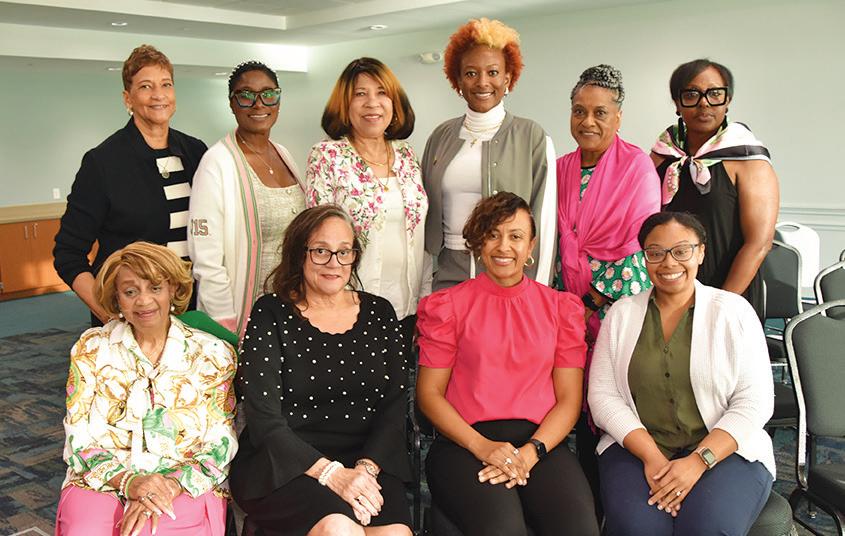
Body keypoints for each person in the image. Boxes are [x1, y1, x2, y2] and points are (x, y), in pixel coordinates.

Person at [416, 192, 599, 536]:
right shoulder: (447, 306)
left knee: (579, 528)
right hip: (464, 445)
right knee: (504, 529)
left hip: (541, 444)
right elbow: (429, 394)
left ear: (531, 246)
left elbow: (569, 400)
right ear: (479, 243)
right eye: (493, 234)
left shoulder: (561, 309)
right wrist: (482, 447)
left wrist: (531, 452)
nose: (504, 247)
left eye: (515, 236)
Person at [229, 205, 412, 536]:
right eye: (320, 251)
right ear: (299, 254)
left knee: (394, 534)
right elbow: (264, 419)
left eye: (344, 252)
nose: (334, 263)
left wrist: (365, 470)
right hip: (286, 464)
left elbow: (395, 405)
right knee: (340, 530)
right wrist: (333, 475)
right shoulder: (270, 312)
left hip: (369, 460)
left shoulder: (380, 312)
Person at [588, 212, 775, 535]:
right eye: (656, 253)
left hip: (725, 449)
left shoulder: (734, 312)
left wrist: (698, 461)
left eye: (681, 251)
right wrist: (652, 457)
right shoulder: (621, 314)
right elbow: (603, 397)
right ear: (644, 257)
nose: (669, 263)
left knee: (707, 528)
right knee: (638, 529)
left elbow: (754, 402)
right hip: (639, 448)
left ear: (700, 252)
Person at [55, 242, 238, 536]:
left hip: (182, 480)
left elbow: (220, 444)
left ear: (173, 290)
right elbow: (79, 438)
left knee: (156, 530)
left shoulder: (213, 354)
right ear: (116, 298)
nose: (143, 301)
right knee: (85, 529)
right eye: (130, 291)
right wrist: (129, 482)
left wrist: (166, 486)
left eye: (155, 288)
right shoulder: (91, 349)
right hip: (104, 478)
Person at [555, 64, 661, 513]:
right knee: (573, 404)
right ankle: (581, 504)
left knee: (615, 405)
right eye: (579, 111)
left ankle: (621, 505)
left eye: (600, 112)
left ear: (618, 117)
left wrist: (589, 303)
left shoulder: (637, 167)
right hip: (566, 312)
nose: (588, 121)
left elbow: (641, 249)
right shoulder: (560, 168)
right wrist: (563, 309)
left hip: (617, 311)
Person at [54, 44, 208, 326]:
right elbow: (68, 253)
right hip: (131, 314)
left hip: (191, 310)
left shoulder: (196, 152)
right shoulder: (103, 162)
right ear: (128, 98)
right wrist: (110, 314)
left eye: (166, 84)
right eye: (146, 86)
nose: (158, 95)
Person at [421, 18, 556, 290]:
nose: (482, 82)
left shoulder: (532, 136)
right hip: (448, 272)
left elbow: (545, 223)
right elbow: (423, 217)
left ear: (508, 77)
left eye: (493, 72)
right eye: (471, 73)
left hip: (507, 275)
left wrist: (536, 292)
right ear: (458, 80)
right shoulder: (440, 136)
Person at [306, 57, 427, 343]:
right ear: (345, 105)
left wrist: (425, 299)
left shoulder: (407, 154)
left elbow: (419, 236)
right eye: (360, 94)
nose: (373, 103)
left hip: (407, 307)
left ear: (394, 103)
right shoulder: (327, 156)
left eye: (382, 93)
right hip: (350, 306)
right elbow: (316, 240)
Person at [651, 59, 779, 319]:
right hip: (669, 289)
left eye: (714, 94)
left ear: (727, 99)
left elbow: (758, 244)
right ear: (677, 103)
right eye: (691, 95)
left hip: (730, 293)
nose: (704, 103)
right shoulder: (662, 154)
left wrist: (718, 307)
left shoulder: (748, 159)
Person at [189, 60, 304, 338]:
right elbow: (206, 258)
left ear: (278, 100)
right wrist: (224, 323)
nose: (259, 104)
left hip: (293, 308)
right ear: (232, 103)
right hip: (246, 315)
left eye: (268, 94)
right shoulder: (216, 163)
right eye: (246, 95)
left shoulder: (284, 154)